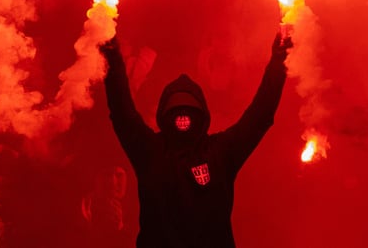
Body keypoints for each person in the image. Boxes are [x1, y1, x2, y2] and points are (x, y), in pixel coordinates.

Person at [99, 31, 292, 248]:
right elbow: (122, 110)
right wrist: (111, 53)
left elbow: (260, 115)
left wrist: (280, 58)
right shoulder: (157, 151)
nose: (182, 117)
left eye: (187, 108)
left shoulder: (210, 152)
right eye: (177, 109)